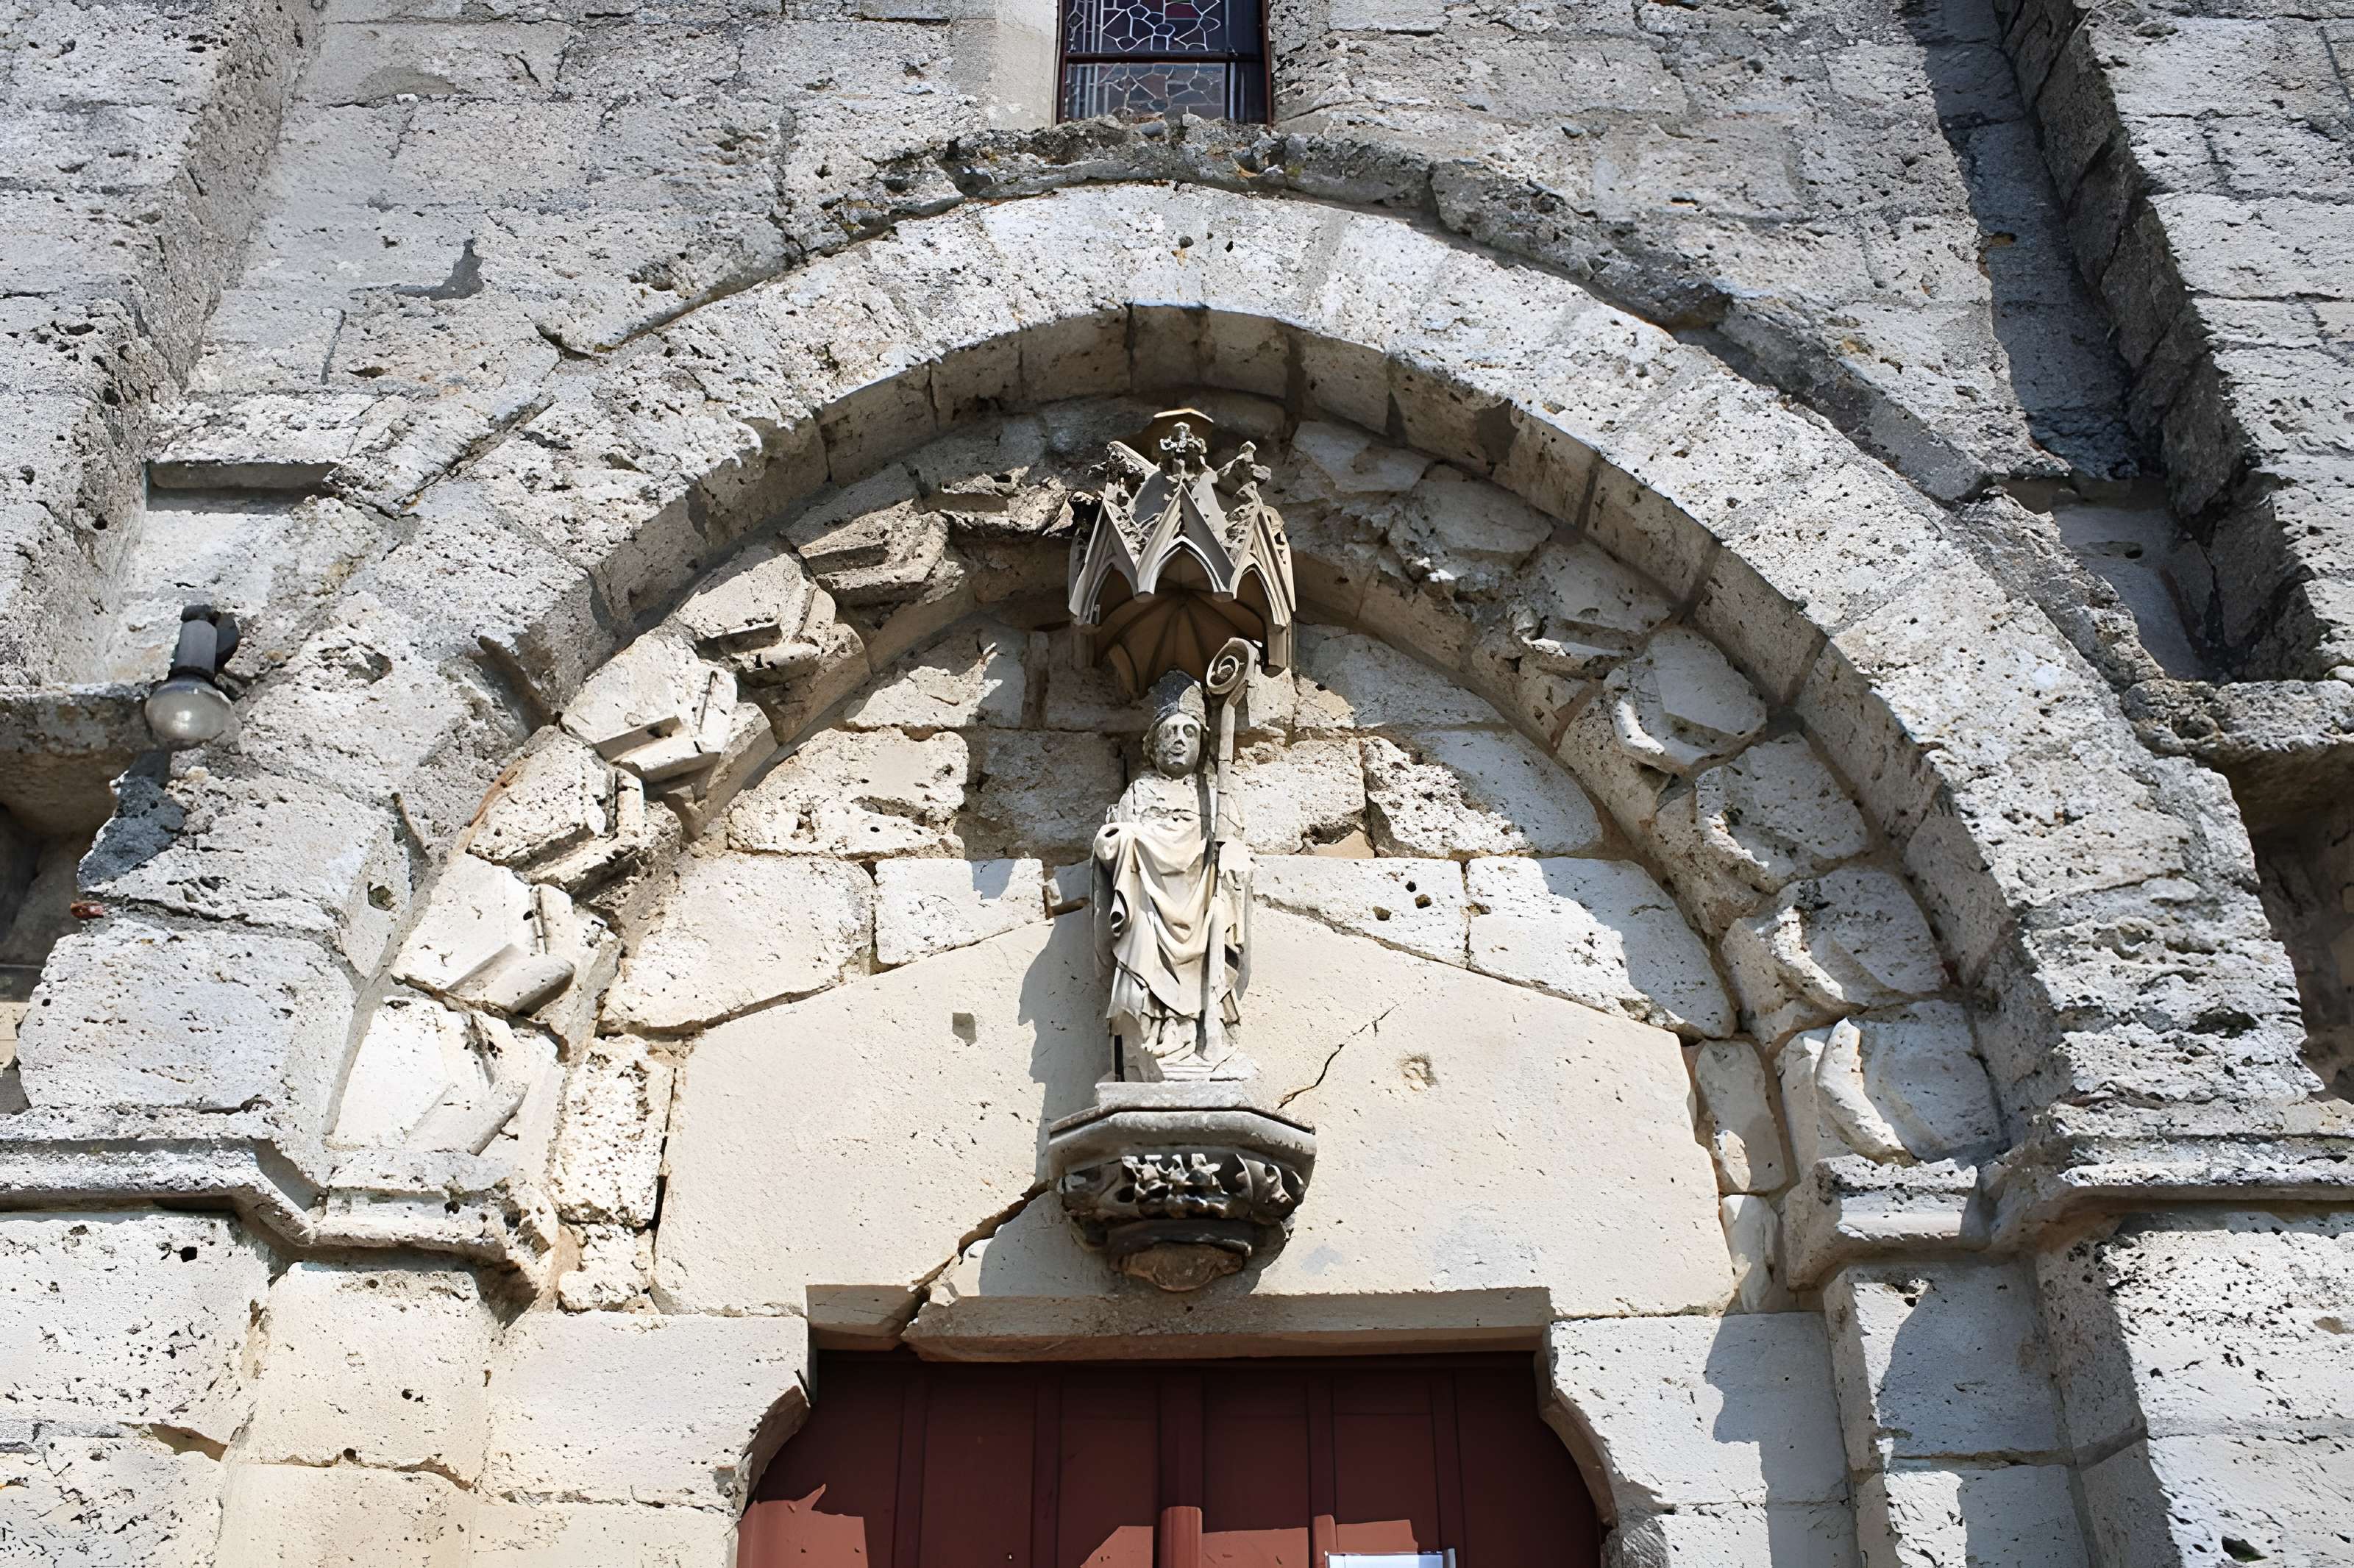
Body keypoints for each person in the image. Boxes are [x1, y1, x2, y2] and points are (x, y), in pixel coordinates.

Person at [1091, 670, 1255, 1081]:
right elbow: (1111, 852)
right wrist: (1120, 841)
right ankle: (1150, 1042)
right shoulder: (1137, 794)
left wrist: (1232, 860)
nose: (1180, 740)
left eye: (1190, 732)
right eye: (1171, 731)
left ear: (1202, 744)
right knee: (1142, 950)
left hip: (1200, 905)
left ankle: (1199, 1037)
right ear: (1153, 744)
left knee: (1213, 939)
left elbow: (1234, 849)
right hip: (1149, 902)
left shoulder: (1217, 798)